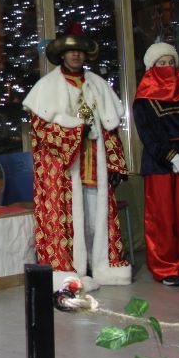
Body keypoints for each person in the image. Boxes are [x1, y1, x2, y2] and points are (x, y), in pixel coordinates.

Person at [22, 25, 130, 290]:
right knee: (69, 221)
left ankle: (102, 268)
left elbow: (110, 129)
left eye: (80, 51)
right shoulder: (46, 87)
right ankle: (69, 273)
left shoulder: (98, 85)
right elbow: (41, 129)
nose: (76, 56)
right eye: (71, 51)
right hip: (64, 171)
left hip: (95, 167)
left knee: (96, 219)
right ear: (62, 55)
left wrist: (115, 162)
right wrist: (76, 132)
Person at [132, 42, 179, 286]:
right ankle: (166, 268)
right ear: (151, 67)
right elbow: (149, 134)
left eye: (171, 63)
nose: (167, 67)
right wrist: (173, 157)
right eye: (161, 63)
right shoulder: (143, 100)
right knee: (161, 219)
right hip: (159, 164)